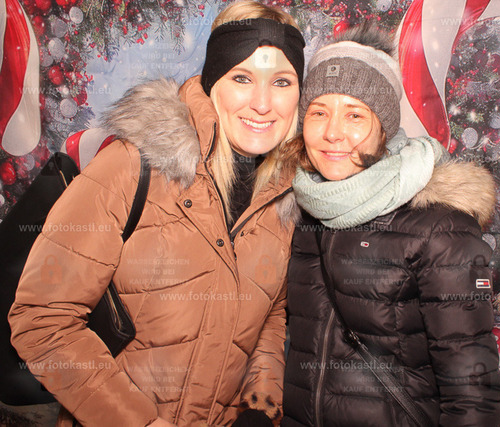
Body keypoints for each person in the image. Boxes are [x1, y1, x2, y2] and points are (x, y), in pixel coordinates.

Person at [8, 1, 304, 425]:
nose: (262, 103)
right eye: (242, 77)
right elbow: (42, 321)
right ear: (213, 81)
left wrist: (260, 407)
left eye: (281, 81)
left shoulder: (283, 198)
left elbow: (271, 319)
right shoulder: (133, 166)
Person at [281, 25, 500, 426]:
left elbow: (473, 395)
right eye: (318, 112)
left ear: (384, 127)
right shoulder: (304, 210)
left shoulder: (440, 230)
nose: (332, 133)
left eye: (354, 114)